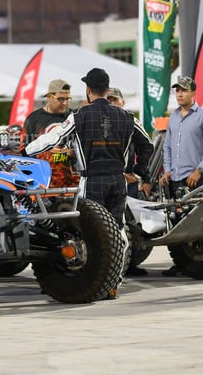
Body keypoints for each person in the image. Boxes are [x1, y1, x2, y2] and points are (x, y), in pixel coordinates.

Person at [26, 68, 153, 298]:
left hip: (91, 180)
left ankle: (94, 282)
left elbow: (53, 139)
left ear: (88, 90)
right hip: (118, 180)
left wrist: (26, 150)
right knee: (118, 232)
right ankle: (114, 284)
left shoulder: (79, 116)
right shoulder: (127, 117)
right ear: (107, 89)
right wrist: (138, 171)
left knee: (91, 235)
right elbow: (148, 144)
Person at [158, 76, 203, 276]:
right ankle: (181, 263)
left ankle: (198, 263)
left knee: (196, 225)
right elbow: (167, 146)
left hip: (195, 179)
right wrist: (166, 169)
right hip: (175, 178)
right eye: (177, 90)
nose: (179, 94)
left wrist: (199, 170)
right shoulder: (174, 117)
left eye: (183, 90)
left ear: (194, 93)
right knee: (176, 222)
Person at [107, 86, 153, 277]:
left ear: (122, 102)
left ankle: (129, 264)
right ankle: (111, 266)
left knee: (131, 227)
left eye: (115, 100)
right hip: (107, 181)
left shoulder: (130, 122)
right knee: (109, 225)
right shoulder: (102, 123)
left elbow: (146, 147)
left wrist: (141, 174)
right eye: (109, 100)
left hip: (129, 182)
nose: (112, 103)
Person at [19, 79, 80, 189]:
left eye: (67, 99)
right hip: (45, 182)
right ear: (49, 97)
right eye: (60, 99)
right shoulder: (34, 119)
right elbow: (24, 151)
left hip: (72, 181)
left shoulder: (73, 117)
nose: (65, 103)